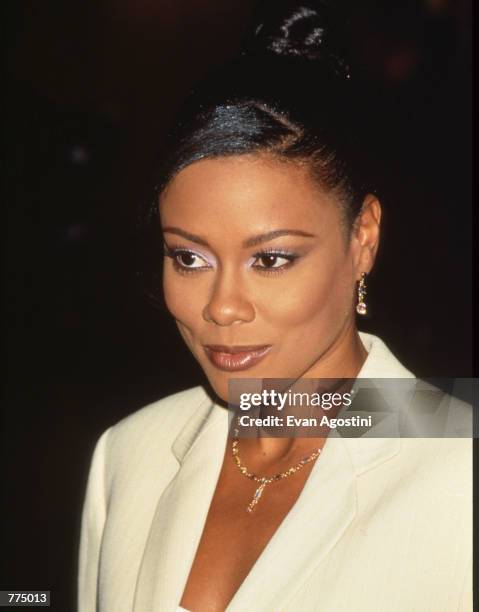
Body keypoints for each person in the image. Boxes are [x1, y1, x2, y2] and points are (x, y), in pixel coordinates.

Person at [78, 2, 472, 611]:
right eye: (189, 258)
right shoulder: (127, 456)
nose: (223, 308)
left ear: (363, 236)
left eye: (271, 259)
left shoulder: (460, 471)